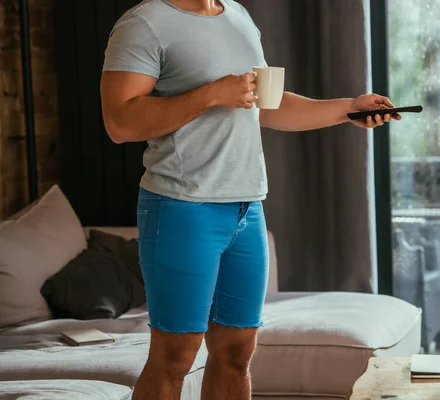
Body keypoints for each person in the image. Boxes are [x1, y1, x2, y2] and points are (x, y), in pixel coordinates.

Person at [100, 0, 400, 399]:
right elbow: (119, 122)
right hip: (181, 207)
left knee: (238, 352)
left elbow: (267, 106)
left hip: (247, 209)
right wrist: (210, 94)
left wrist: (348, 109)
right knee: (175, 356)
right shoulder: (144, 23)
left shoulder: (237, 16)